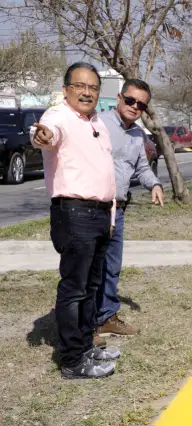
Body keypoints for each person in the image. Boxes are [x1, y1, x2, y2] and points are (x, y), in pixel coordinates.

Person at [31, 62, 121, 380]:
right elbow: (46, 134)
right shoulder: (59, 116)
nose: (87, 92)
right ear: (66, 89)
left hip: (99, 215)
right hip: (74, 213)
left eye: (93, 87)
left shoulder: (96, 121)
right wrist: (41, 136)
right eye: (80, 86)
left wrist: (110, 217)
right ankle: (72, 361)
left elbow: (106, 172)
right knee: (75, 289)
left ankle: (85, 347)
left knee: (92, 287)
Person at [95, 79, 164, 344]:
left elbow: (142, 169)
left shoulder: (138, 135)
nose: (135, 107)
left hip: (119, 209)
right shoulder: (98, 124)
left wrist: (155, 184)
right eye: (131, 100)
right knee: (92, 268)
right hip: (96, 208)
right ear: (119, 97)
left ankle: (107, 318)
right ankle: (87, 324)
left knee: (112, 267)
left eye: (142, 105)